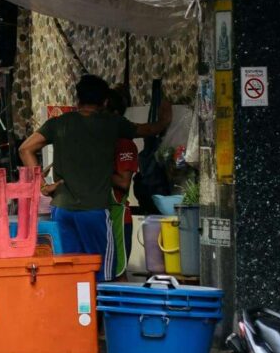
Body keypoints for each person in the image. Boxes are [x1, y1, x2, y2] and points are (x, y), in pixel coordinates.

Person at [19, 74, 168, 261]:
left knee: (71, 270)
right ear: (105, 102)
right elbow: (148, 130)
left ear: (77, 99)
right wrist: (163, 120)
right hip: (94, 211)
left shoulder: (58, 123)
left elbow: (25, 149)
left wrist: (42, 185)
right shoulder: (112, 123)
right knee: (101, 269)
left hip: (62, 210)